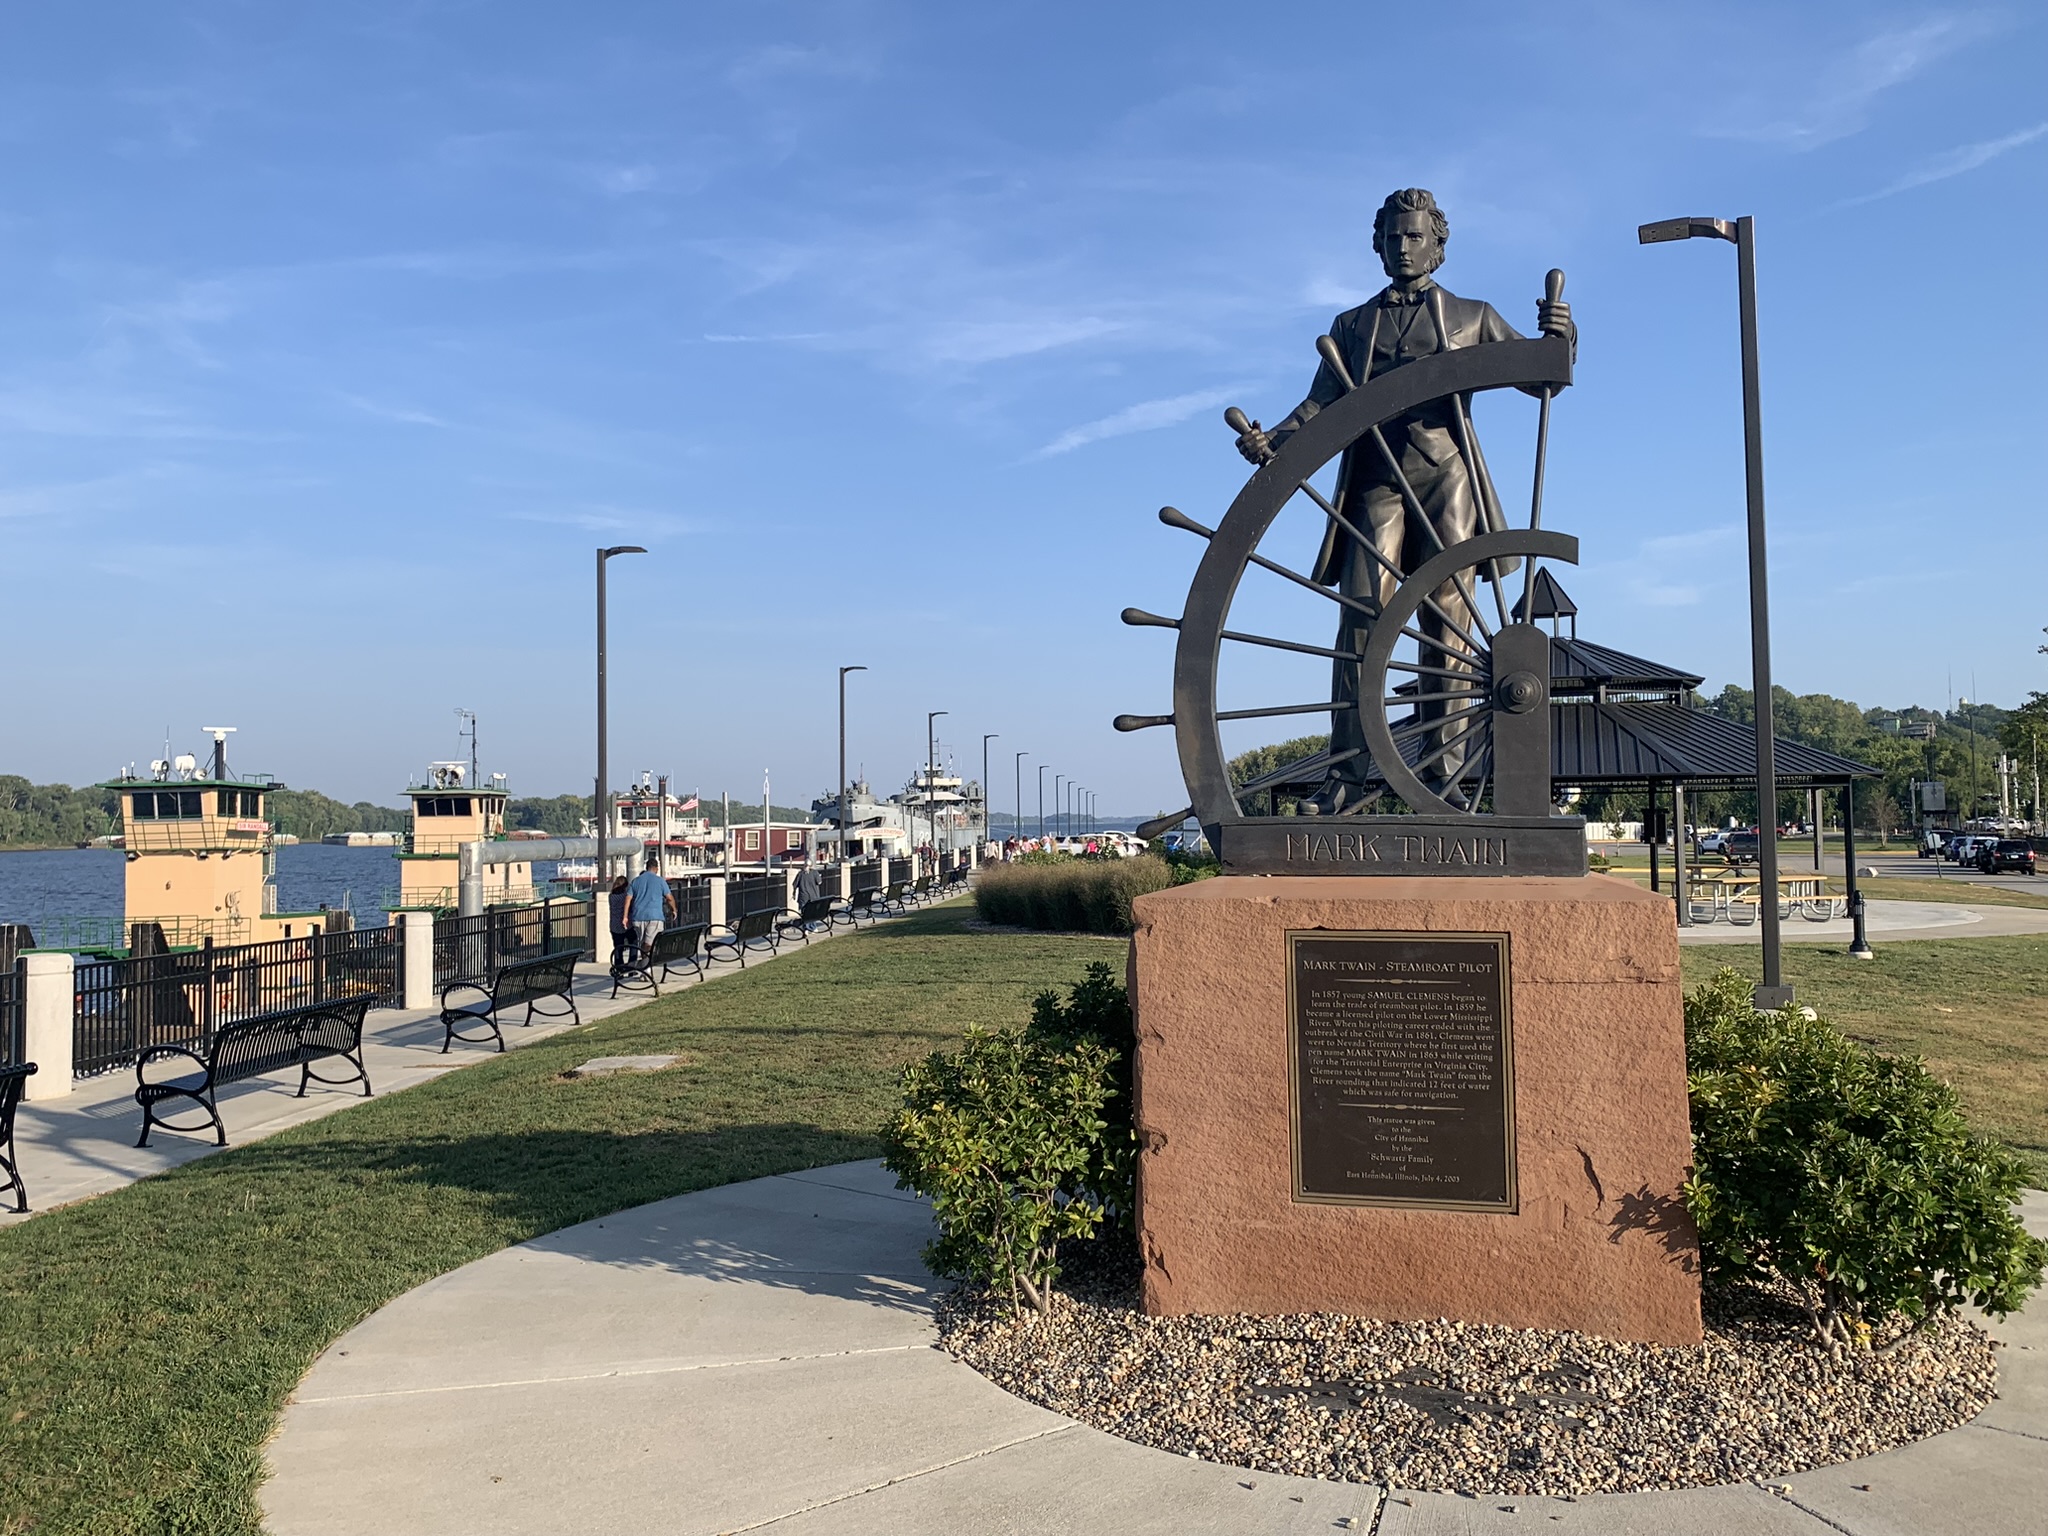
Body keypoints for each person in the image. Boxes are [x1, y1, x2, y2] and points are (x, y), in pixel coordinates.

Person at [1235, 188, 1574, 811]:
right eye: (1392, 237)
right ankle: (1346, 776)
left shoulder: (1472, 316)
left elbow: (1539, 375)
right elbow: (1318, 406)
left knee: (1449, 627)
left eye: (1414, 236)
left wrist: (1562, 334)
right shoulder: (1352, 325)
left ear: (1438, 246)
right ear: (1378, 245)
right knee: (1361, 620)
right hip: (1375, 483)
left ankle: (1444, 777)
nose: (1402, 247)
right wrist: (1274, 440)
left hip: (1449, 480)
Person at [625, 856, 675, 969]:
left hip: (638, 917)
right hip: (654, 916)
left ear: (646, 867)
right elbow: (669, 898)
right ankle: (646, 968)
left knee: (643, 943)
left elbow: (628, 898)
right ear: (656, 869)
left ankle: (645, 966)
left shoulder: (636, 881)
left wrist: (625, 916)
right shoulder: (660, 881)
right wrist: (674, 910)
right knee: (648, 944)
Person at [606, 874, 632, 973]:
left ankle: (619, 969)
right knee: (633, 942)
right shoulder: (625, 896)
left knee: (618, 948)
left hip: (614, 925)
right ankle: (631, 966)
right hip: (626, 924)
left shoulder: (611, 896)